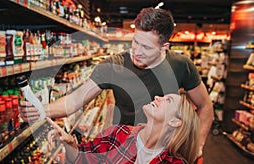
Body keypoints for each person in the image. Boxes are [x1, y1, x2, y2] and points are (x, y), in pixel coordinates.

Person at [20, 7, 213, 155]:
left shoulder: (181, 65)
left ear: (164, 47)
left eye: (146, 47)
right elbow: (76, 99)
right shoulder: (113, 65)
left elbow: (205, 107)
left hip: (164, 153)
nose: (137, 51)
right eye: (136, 42)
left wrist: (199, 144)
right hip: (124, 150)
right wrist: (41, 109)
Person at [46, 93, 199, 164]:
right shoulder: (118, 134)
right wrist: (70, 144)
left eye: (168, 100)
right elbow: (81, 159)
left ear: (175, 122)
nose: (157, 97)